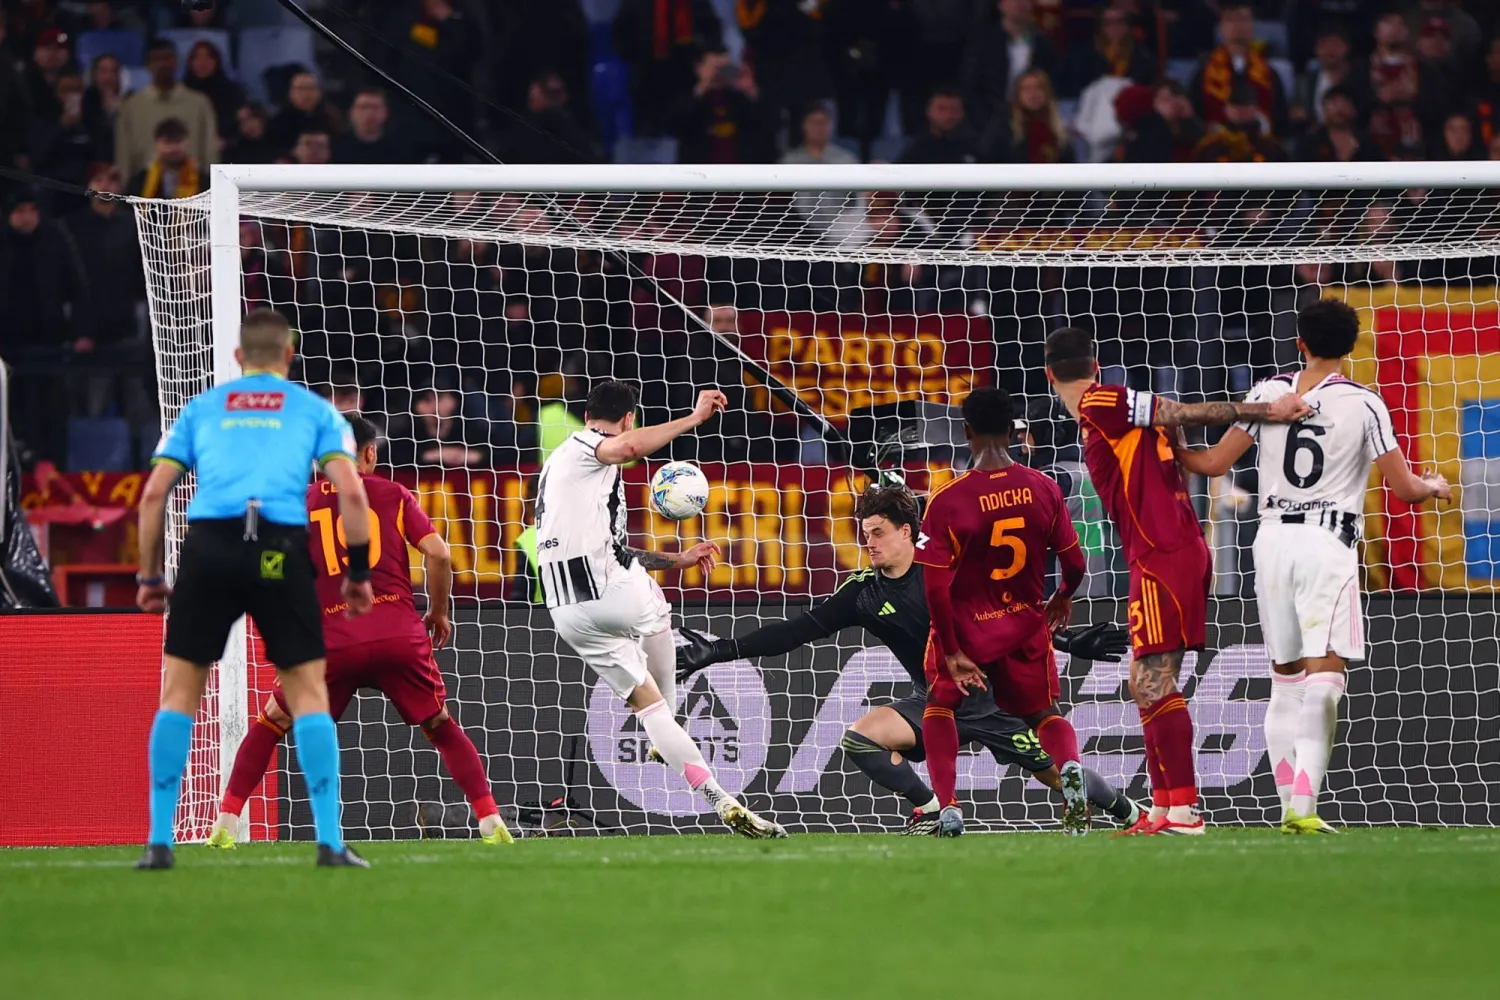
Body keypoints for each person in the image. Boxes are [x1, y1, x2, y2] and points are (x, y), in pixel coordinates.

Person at [678, 481, 1139, 834]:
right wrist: (719, 650)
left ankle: (1130, 812)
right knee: (861, 738)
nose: (870, 543)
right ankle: (933, 806)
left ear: (906, 532)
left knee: (1061, 780)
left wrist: (1072, 641)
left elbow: (1009, 619)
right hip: (933, 702)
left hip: (995, 703)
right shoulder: (862, 592)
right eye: (865, 534)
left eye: (878, 533)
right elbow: (795, 632)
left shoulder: (948, 574)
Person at [1173, 299, 1451, 834]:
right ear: (1351, 348)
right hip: (1328, 543)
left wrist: (1168, 438)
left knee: (1285, 680)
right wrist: (1434, 487)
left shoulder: (1268, 394)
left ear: (1299, 341)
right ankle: (1303, 806)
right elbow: (1405, 489)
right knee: (1326, 678)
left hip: (1271, 541)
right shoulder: (1365, 404)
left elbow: (1210, 465)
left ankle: (1287, 807)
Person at [1042, 326, 1310, 835]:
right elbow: (1170, 417)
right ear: (1095, 363)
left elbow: (1182, 413)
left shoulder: (1102, 403)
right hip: (1164, 550)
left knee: (1153, 680)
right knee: (1143, 681)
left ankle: (1184, 811)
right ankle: (1165, 808)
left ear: (1050, 373)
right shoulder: (1110, 407)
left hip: (1165, 552)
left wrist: (1264, 412)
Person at [134, 308, 375, 869]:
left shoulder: (201, 409)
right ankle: (331, 844)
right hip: (279, 549)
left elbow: (153, 496)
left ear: (239, 358)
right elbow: (353, 496)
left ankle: (158, 843)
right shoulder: (316, 412)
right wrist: (358, 575)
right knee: (308, 693)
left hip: (210, 549)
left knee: (179, 694)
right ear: (288, 358)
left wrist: (150, 578)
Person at [207, 415, 513, 848]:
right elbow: (440, 556)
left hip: (330, 641)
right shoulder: (394, 494)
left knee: (273, 722)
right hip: (397, 635)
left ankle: (227, 821)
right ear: (370, 453)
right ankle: (490, 821)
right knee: (441, 725)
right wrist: (440, 614)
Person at [536, 380, 785, 838]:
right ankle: (669, 714)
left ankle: (720, 798)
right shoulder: (589, 447)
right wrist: (693, 419)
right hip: (606, 590)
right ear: (628, 417)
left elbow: (619, 550)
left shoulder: (557, 469)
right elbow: (625, 446)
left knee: (650, 712)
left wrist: (679, 559)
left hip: (567, 612)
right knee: (658, 613)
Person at [914, 390, 1082, 836]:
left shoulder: (947, 499)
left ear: (966, 432)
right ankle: (1070, 771)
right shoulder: (1043, 486)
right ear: (1013, 431)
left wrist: (950, 651)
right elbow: (1076, 562)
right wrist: (1063, 595)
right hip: (1025, 624)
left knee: (940, 707)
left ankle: (947, 806)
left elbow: (934, 588)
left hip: (968, 630)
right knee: (1045, 713)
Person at [115, 38, 217, 181]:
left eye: (167, 58)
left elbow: (210, 153)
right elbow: (124, 157)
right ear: (148, 65)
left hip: (193, 189)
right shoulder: (131, 107)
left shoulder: (199, 103)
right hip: (145, 191)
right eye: (157, 60)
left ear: (176, 62)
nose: (163, 64)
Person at [1189, 2, 1288, 138]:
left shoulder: (1269, 74)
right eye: (1231, 19)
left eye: (1243, 19)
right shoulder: (1204, 73)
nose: (1237, 25)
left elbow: (1281, 118)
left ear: (1253, 24)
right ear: (1221, 27)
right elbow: (1195, 115)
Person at [182, 40, 244, 146]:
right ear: (190, 62)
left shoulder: (232, 91)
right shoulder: (180, 90)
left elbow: (235, 123)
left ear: (217, 62)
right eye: (197, 57)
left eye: (208, 57)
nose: (203, 62)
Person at [267, 71, 342, 156]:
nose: (306, 94)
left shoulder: (332, 118)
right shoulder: (277, 123)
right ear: (290, 93)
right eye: (300, 89)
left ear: (320, 92)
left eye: (311, 88)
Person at [332, 88, 414, 165]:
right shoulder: (334, 147)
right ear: (351, 112)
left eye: (375, 107)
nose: (369, 113)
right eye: (363, 107)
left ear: (386, 112)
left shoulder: (401, 150)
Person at [127, 117, 204, 198]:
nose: (173, 148)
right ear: (156, 144)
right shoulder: (140, 181)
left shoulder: (202, 181)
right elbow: (126, 208)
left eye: (178, 141)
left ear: (187, 143)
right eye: (168, 142)